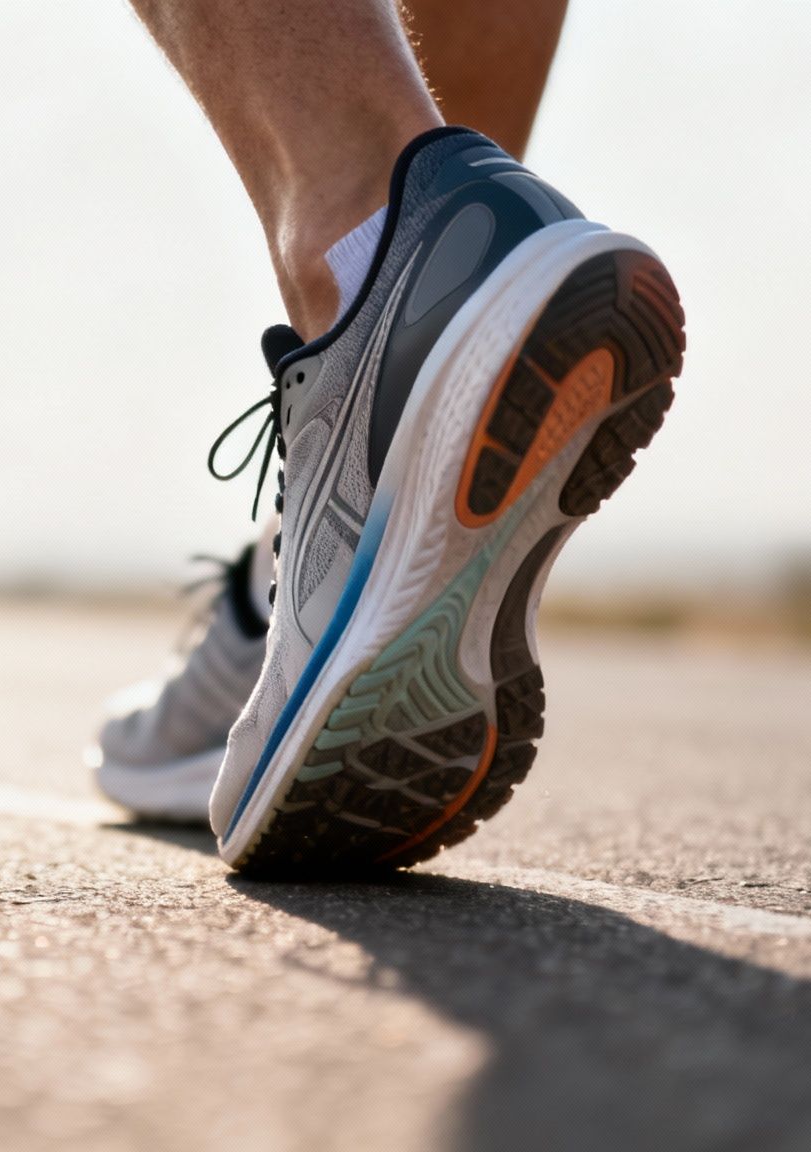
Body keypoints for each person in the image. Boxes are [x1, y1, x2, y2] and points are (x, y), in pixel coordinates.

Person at [88, 0, 687, 874]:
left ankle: (367, 254)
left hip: (396, 271)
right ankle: (450, 268)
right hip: (470, 234)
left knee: (365, 226)